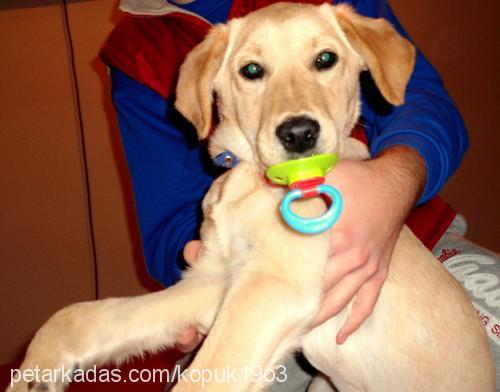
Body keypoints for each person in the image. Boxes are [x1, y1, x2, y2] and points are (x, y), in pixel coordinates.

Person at [101, 0, 499, 389]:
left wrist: (388, 192)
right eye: (253, 70)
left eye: (323, 61)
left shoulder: (332, 14)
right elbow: (169, 228)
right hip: (250, 285)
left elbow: (421, 101)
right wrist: (219, 262)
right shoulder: (134, 51)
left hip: (419, 246)